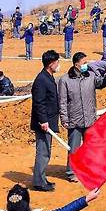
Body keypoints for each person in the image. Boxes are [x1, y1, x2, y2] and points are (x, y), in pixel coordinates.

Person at [58, 52, 106, 182]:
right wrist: (64, 119)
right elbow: (62, 101)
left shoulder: (91, 76)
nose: (86, 65)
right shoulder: (65, 80)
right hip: (74, 119)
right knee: (74, 148)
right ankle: (72, 172)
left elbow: (102, 83)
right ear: (76, 64)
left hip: (89, 118)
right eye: (84, 63)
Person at [31, 50, 61, 192]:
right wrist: (43, 121)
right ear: (51, 64)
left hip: (49, 121)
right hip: (44, 123)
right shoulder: (41, 80)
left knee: (46, 151)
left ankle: (42, 178)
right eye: (57, 62)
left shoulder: (48, 77)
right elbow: (39, 102)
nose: (58, 65)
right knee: (43, 152)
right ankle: (38, 182)